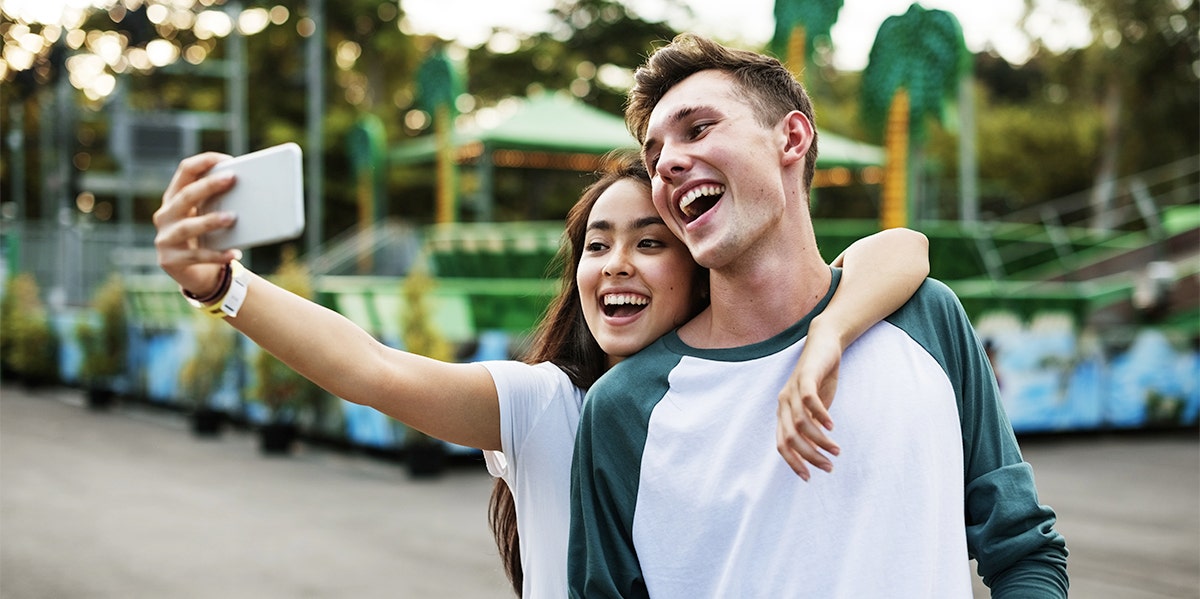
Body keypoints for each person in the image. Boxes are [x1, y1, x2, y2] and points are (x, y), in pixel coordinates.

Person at [154, 149, 928, 598]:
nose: (614, 263)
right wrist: (224, 287)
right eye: (597, 244)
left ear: (702, 268)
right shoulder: (550, 403)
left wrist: (827, 332)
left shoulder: (753, 382)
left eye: (650, 243)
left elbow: (901, 249)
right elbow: (373, 369)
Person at [567, 34, 1069, 598]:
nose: (667, 164)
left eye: (698, 129)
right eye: (654, 156)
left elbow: (1025, 551)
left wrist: (827, 333)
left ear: (792, 136)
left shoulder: (926, 318)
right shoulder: (623, 409)